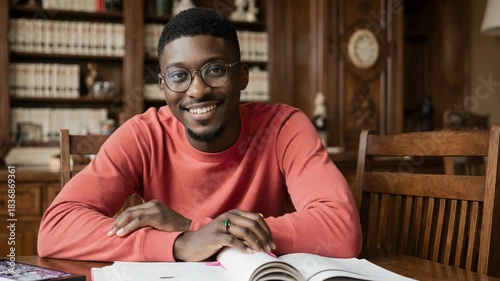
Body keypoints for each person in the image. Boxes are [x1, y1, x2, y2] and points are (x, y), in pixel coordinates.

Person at [38, 7, 362, 262]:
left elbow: (341, 229)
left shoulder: (283, 127)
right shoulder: (143, 135)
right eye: (179, 76)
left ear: (243, 77)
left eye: (215, 70)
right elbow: (55, 230)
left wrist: (197, 228)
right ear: (163, 86)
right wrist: (179, 244)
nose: (197, 90)